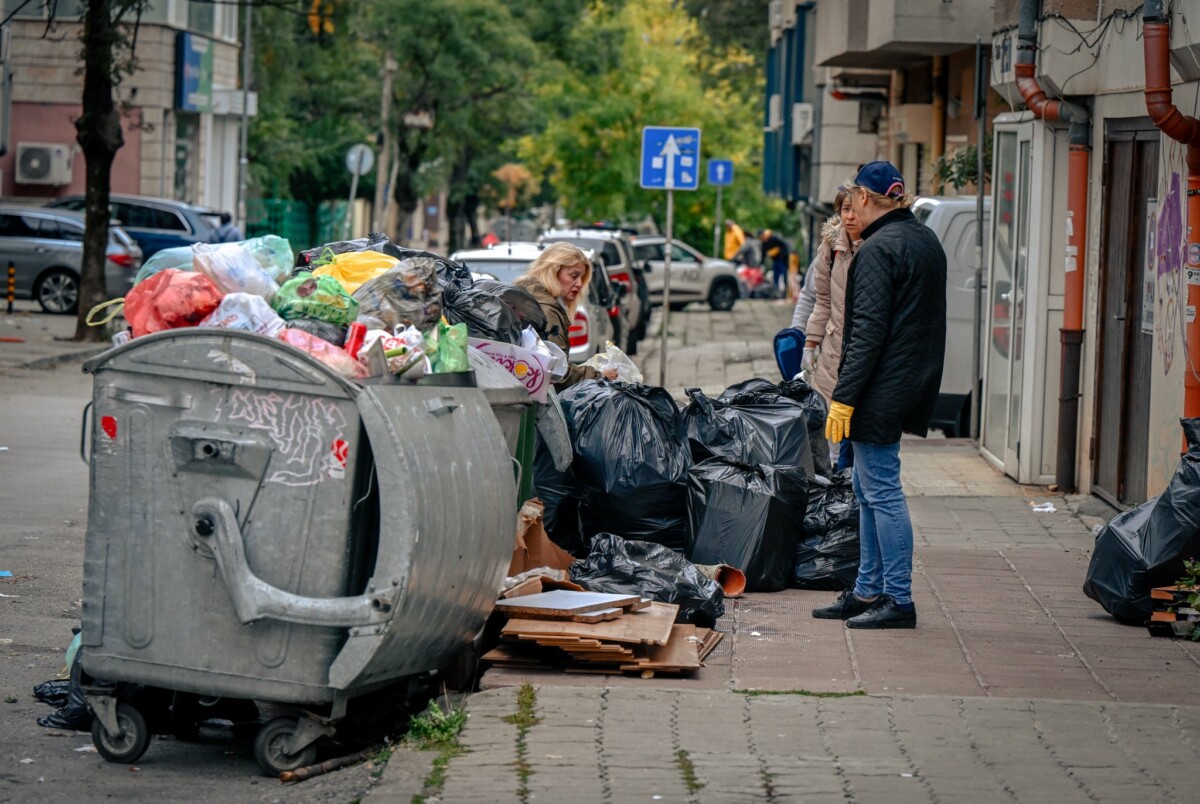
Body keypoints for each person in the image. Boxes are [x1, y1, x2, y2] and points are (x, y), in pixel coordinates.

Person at [811, 161, 947, 630]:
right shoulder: (923, 239)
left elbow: (865, 334)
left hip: (878, 388)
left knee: (882, 491)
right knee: (868, 490)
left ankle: (899, 599)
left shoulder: (876, 250)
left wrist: (844, 397)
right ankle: (869, 589)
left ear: (864, 198)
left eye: (853, 199)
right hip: (910, 380)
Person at [803, 189, 862, 471]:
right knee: (831, 430)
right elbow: (821, 300)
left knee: (857, 431)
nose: (849, 216)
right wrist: (810, 343)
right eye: (843, 210)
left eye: (854, 209)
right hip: (833, 349)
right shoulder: (830, 246)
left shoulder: (876, 245)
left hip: (863, 351)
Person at [515, 242, 619, 389]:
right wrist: (600, 375)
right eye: (573, 276)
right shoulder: (546, 310)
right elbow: (556, 370)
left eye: (581, 278)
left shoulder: (530, 296)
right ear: (553, 272)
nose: (579, 284)